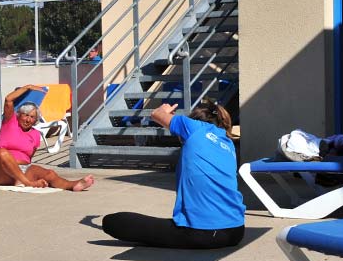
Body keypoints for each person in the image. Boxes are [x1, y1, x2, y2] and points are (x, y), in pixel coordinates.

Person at [102, 99, 245, 249]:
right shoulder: (228, 144)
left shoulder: (194, 127)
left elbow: (156, 114)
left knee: (113, 222)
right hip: (236, 231)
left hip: (204, 234)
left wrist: (164, 109)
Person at [0, 85, 95, 191]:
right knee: (2, 153)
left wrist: (31, 172)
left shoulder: (35, 134)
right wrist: (28, 87)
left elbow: (29, 158)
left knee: (50, 174)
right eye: (26, 115)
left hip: (23, 170)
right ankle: (27, 183)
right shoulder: (10, 122)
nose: (28, 119)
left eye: (32, 117)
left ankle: (73, 185)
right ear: (18, 115)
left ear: (35, 120)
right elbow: (9, 99)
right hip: (3, 172)